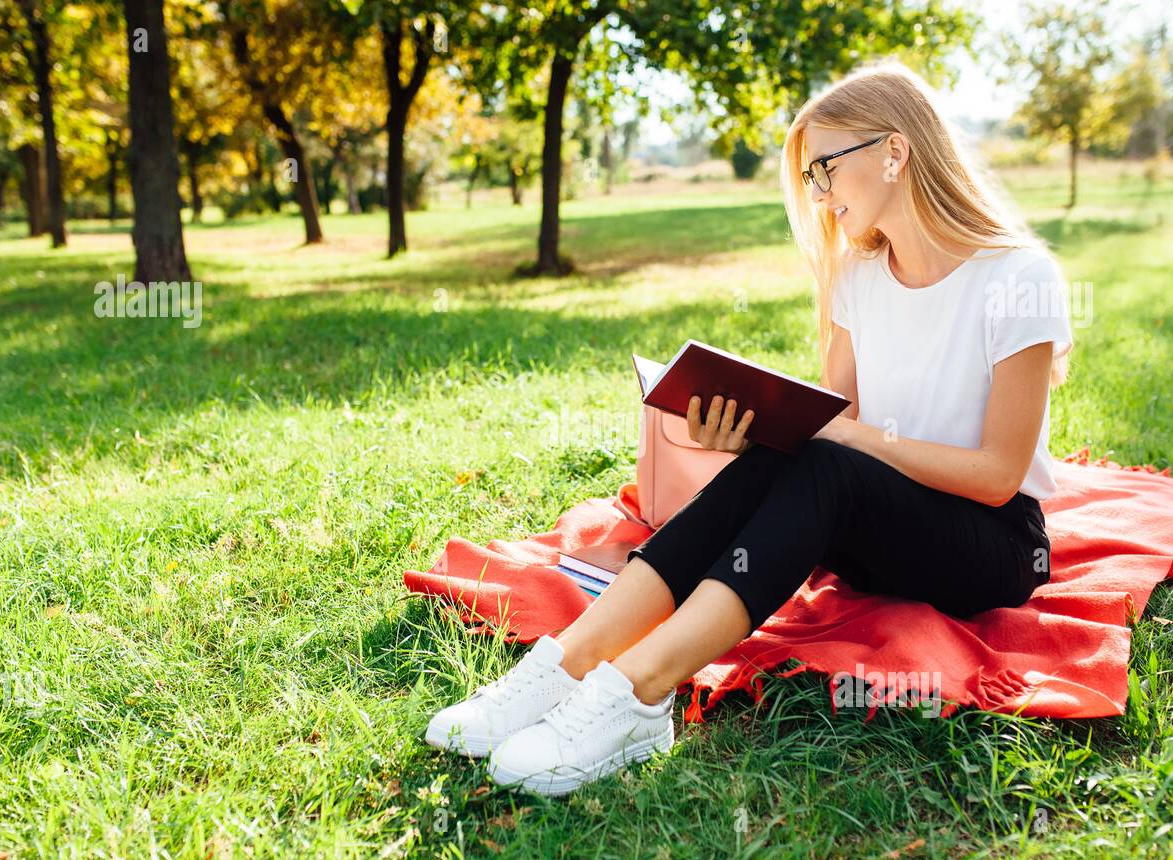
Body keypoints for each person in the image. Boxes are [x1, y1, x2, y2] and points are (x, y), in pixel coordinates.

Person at [425, 61, 1074, 797]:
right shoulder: (859, 278)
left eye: (826, 168)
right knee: (791, 459)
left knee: (827, 461)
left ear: (895, 151)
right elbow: (839, 425)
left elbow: (994, 475)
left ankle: (639, 690)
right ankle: (567, 661)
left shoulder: (1017, 276)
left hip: (993, 546)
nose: (821, 195)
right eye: (811, 178)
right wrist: (760, 436)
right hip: (874, 529)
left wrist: (841, 441)